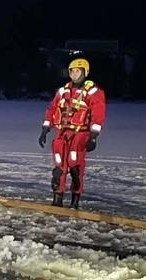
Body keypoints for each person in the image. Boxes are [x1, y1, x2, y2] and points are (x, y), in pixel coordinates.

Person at [38, 58, 106, 209]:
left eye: (78, 71)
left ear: (85, 73)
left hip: (80, 135)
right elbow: (52, 109)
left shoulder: (93, 92)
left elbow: (98, 114)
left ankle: (75, 200)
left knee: (75, 166)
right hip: (61, 134)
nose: (74, 75)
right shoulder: (63, 91)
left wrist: (93, 136)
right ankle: (57, 198)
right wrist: (45, 128)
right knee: (59, 167)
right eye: (72, 71)